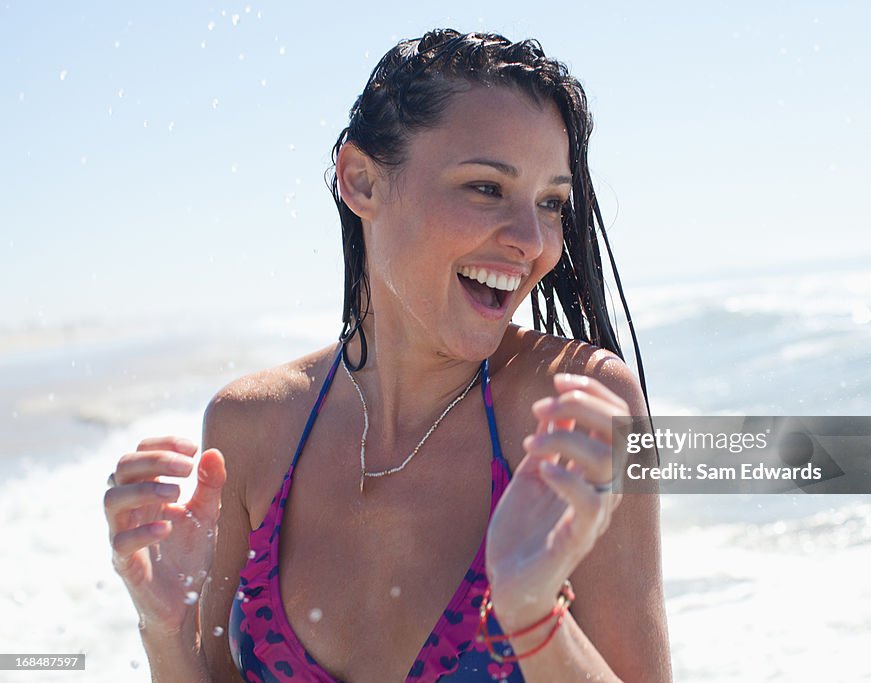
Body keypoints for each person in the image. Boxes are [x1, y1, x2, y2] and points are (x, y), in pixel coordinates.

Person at [104, 29, 670, 682]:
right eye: (487, 188)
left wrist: (532, 612)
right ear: (362, 180)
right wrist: (163, 625)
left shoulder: (578, 406)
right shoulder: (250, 429)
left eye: (550, 202)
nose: (533, 239)